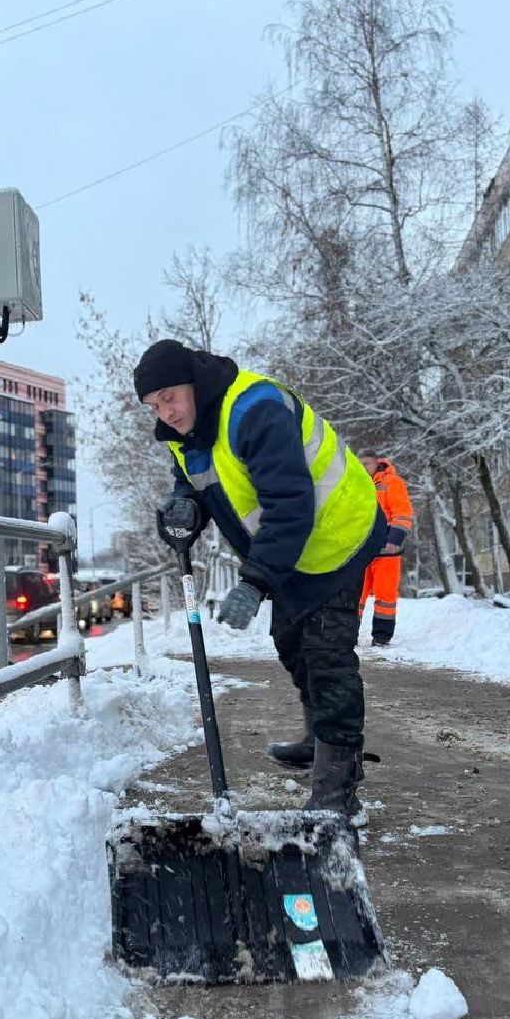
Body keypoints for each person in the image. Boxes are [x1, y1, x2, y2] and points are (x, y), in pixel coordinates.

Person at [134, 338, 386, 822]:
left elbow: (291, 505)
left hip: (338, 535)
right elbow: (195, 479)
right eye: (153, 405)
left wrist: (254, 582)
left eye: (169, 397)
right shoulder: (186, 434)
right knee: (290, 642)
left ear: (194, 381)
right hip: (294, 552)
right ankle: (318, 738)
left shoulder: (255, 409)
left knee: (325, 653)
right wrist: (185, 503)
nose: (165, 412)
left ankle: (338, 790)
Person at [357, 453, 414, 646]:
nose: (363, 467)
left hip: (387, 552)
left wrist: (394, 540)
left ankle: (381, 637)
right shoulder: (358, 484)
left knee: (385, 598)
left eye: (366, 464)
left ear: (377, 463)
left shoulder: (392, 482)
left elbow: (402, 513)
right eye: (360, 464)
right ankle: (347, 633)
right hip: (363, 551)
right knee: (355, 595)